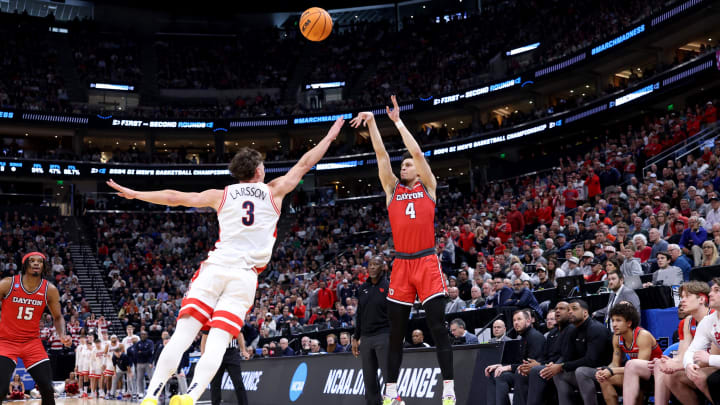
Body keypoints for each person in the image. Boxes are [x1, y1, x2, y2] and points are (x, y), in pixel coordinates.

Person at [109, 118, 346, 405]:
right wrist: (330, 137)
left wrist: (136, 194)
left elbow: (175, 197)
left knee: (183, 335)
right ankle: (192, 396)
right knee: (219, 342)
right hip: (244, 276)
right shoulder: (275, 190)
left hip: (215, 268)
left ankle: (150, 396)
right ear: (259, 170)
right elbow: (306, 162)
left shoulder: (221, 195)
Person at [351, 100, 455, 405]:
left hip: (426, 260)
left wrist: (397, 122)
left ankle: (448, 387)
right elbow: (381, 155)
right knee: (396, 331)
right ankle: (392, 391)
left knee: (437, 326)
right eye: (403, 164)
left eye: (408, 164)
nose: (404, 165)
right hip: (401, 265)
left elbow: (419, 154)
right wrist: (371, 122)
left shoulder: (429, 187)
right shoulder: (392, 190)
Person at [0, 252, 70, 405]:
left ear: (44, 266)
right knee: (1, 388)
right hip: (6, 342)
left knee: (47, 387)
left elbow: (58, 317)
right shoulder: (7, 284)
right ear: (25, 264)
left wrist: (62, 335)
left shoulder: (49, 289)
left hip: (32, 342)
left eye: (40, 261)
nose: (36, 263)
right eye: (32, 260)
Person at [625, 281, 712, 405]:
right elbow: (682, 354)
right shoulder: (687, 322)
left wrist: (676, 365)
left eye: (687, 296)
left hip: (712, 364)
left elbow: (711, 357)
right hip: (696, 365)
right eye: (681, 297)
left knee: (677, 373)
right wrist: (668, 362)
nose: (682, 301)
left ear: (702, 299)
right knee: (657, 367)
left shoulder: (714, 317)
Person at [595, 303, 663, 405]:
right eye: (613, 320)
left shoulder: (642, 335)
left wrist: (612, 370)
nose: (614, 324)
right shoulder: (617, 337)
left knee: (635, 377)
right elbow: (615, 363)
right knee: (605, 379)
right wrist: (605, 371)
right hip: (635, 374)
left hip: (655, 374)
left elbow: (640, 367)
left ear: (629, 323)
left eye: (618, 320)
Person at [549, 299, 613, 405]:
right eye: (568, 310)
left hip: (605, 370)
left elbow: (591, 361)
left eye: (574, 309)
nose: (570, 312)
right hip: (587, 371)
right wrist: (555, 366)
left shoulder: (595, 328)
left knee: (581, 371)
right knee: (558, 374)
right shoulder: (573, 331)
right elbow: (567, 356)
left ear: (585, 313)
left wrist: (562, 365)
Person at [515, 302, 574, 405]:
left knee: (535, 371)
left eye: (562, 308)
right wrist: (538, 363)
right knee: (521, 372)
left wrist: (543, 365)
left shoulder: (572, 329)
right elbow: (545, 356)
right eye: (556, 309)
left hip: (563, 367)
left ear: (569, 313)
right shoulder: (552, 333)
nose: (558, 311)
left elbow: (567, 355)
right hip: (548, 365)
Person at [484, 310, 545, 405]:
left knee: (502, 376)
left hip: (532, 374)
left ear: (528, 321)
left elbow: (529, 365)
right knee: (493, 373)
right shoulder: (522, 338)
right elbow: (517, 361)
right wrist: (500, 365)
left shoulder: (535, 337)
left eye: (519, 319)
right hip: (520, 371)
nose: (516, 323)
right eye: (514, 320)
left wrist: (508, 367)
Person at [352, 255, 390, 405]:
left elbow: (396, 313)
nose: (372, 267)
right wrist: (356, 338)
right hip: (366, 338)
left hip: (384, 335)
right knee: (369, 379)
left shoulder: (389, 287)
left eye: (376, 264)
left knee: (389, 377)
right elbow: (359, 314)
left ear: (383, 267)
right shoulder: (362, 289)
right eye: (370, 265)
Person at [683, 277, 720, 403]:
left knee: (714, 379)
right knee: (700, 376)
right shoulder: (708, 321)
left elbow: (708, 358)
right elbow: (691, 351)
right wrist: (688, 364)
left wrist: (709, 359)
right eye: (710, 290)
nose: (710, 294)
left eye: (716, 290)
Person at [202, 329, 249, 405]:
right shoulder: (213, 319)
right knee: (215, 384)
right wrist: (203, 355)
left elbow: (239, 334)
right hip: (216, 353)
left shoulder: (233, 318)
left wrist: (243, 350)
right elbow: (204, 338)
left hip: (231, 352)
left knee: (238, 382)